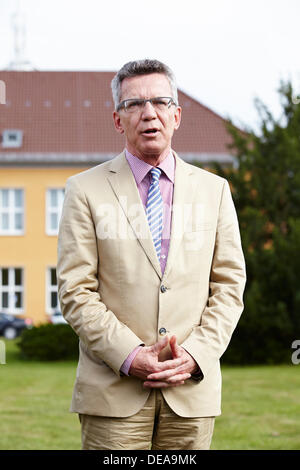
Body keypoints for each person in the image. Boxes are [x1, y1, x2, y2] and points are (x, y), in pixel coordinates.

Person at [57, 59, 246, 450]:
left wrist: (194, 355)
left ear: (177, 115)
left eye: (160, 102)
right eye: (134, 105)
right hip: (113, 394)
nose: (149, 114)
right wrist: (129, 355)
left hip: (190, 395)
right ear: (117, 119)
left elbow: (229, 286)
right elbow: (76, 291)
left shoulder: (215, 191)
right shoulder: (84, 190)